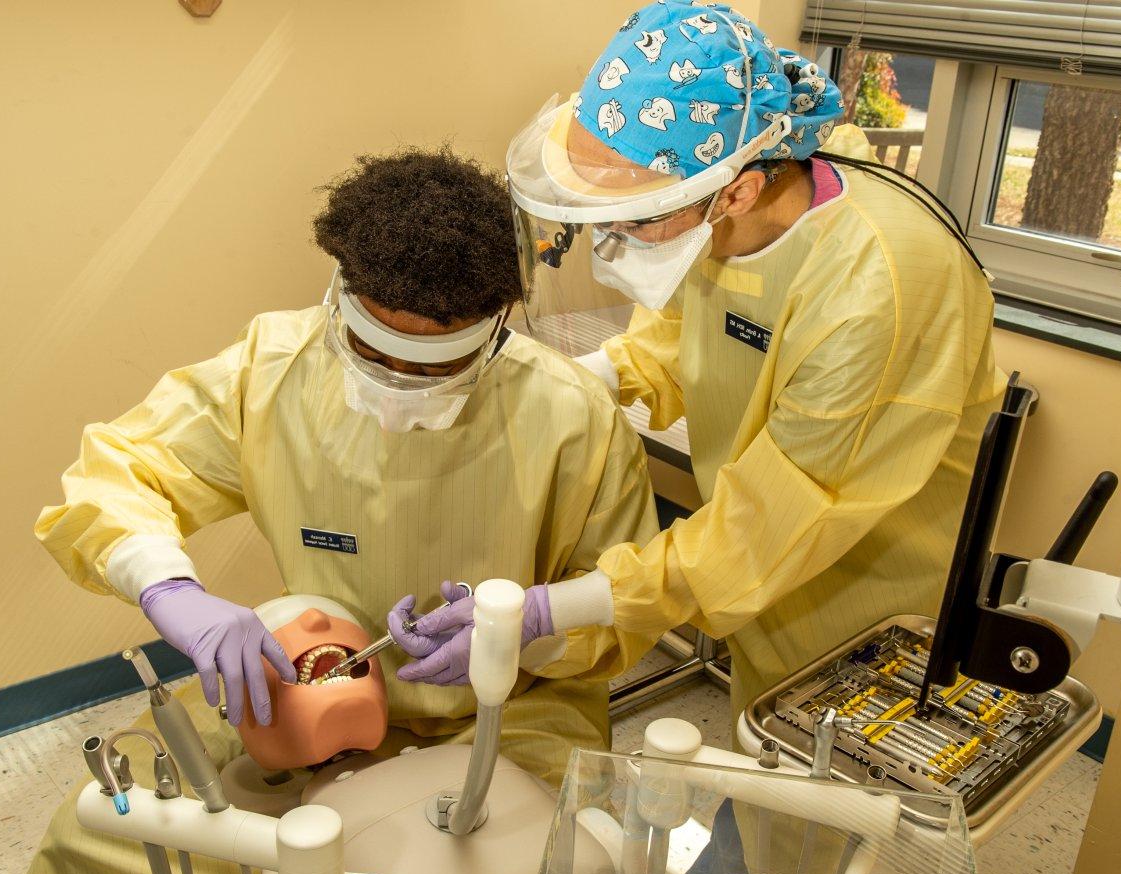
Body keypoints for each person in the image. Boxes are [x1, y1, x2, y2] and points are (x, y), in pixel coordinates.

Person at [0, 147, 658, 874]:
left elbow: (627, 600)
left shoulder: (571, 415)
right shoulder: (268, 372)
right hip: (295, 676)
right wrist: (171, 589)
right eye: (376, 353)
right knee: (102, 833)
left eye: (439, 367)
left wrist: (520, 635)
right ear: (339, 299)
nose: (402, 386)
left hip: (507, 708)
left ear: (497, 329)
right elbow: (119, 475)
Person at [392, 1, 1005, 738]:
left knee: (835, 823)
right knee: (764, 792)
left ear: (738, 189)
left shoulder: (879, 287)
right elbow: (665, 348)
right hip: (755, 583)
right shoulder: (715, 231)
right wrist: (548, 385)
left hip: (865, 611)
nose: (614, 241)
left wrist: (554, 610)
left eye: (636, 218)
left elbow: (772, 521)